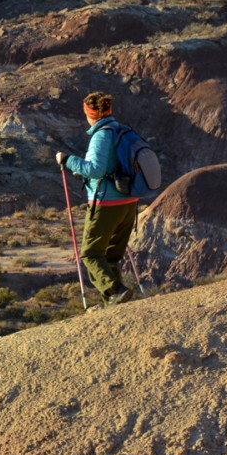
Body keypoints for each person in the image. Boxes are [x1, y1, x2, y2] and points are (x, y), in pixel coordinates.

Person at [55, 91, 137, 306]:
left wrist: (68, 160)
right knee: (109, 256)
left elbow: (96, 169)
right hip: (128, 203)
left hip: (106, 203)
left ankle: (115, 291)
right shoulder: (122, 131)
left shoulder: (101, 135)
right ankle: (116, 301)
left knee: (91, 254)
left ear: (89, 113)